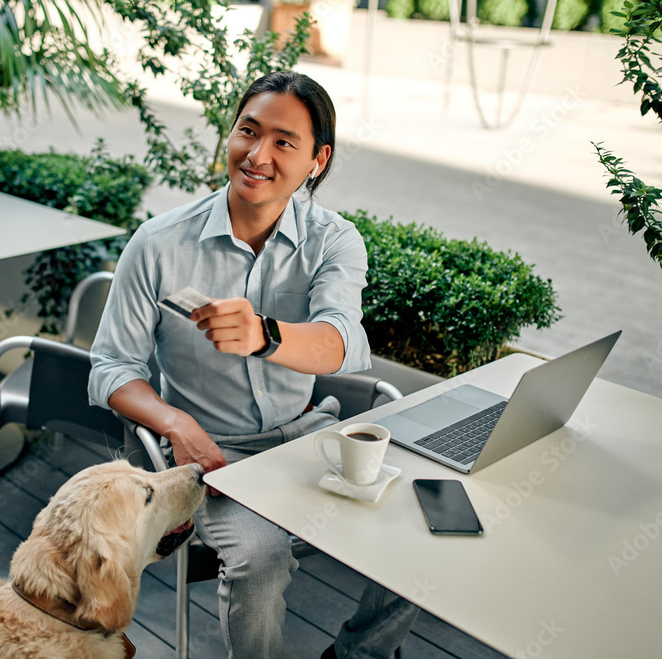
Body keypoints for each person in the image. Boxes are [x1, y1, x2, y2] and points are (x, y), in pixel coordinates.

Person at [88, 71, 419, 659]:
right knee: (260, 558)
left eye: (284, 142)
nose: (257, 155)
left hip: (308, 436)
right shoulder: (158, 243)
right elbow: (111, 366)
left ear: (318, 160)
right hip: (213, 452)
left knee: (418, 523)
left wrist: (265, 335)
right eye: (248, 131)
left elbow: (344, 342)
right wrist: (176, 425)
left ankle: (359, 654)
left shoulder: (335, 241)